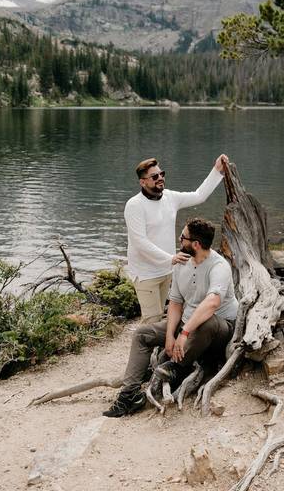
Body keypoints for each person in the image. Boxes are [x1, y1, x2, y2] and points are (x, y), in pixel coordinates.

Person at [104, 218, 238, 417]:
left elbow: (212, 304)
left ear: (196, 244)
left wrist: (183, 333)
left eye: (182, 237)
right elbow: (175, 302)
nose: (179, 239)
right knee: (142, 334)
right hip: (187, 323)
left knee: (206, 322)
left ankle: (177, 368)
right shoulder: (181, 263)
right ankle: (129, 395)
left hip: (218, 328)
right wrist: (169, 335)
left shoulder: (219, 266)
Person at [124, 154, 228, 323]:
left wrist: (217, 170)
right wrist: (171, 258)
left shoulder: (170, 197)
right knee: (152, 319)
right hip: (145, 273)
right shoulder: (134, 205)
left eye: (162, 174)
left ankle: (158, 347)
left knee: (160, 317)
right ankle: (142, 348)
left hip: (167, 270)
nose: (160, 178)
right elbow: (140, 242)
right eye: (154, 176)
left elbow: (199, 195)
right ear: (142, 182)